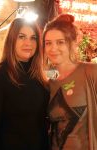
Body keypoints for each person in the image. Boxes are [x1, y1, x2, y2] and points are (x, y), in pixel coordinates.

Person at [0, 18, 50, 150]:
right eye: (21, 37)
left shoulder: (39, 77)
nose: (28, 43)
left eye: (33, 38)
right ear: (11, 40)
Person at [43, 14, 97, 150]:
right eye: (48, 43)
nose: (53, 48)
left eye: (60, 42)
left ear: (72, 43)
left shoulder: (90, 71)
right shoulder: (48, 77)